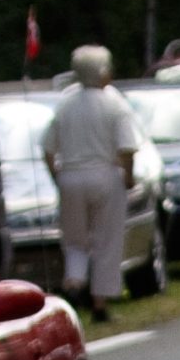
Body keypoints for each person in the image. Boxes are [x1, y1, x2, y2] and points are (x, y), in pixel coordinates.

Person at [42, 45, 139, 322]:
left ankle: (74, 282)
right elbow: (127, 148)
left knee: (74, 239)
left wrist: (58, 178)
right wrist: (129, 177)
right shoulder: (115, 104)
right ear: (103, 72)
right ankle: (100, 302)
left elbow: (48, 149)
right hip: (105, 175)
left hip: (71, 176)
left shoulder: (65, 104)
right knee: (106, 239)